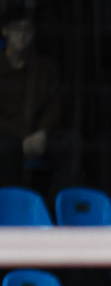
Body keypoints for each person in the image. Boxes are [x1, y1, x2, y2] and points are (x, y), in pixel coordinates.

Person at [0, 10, 60, 187]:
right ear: (5, 31)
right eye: (16, 29)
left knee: (72, 144)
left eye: (27, 29)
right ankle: (12, 199)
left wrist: (42, 132)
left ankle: (57, 200)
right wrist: (23, 135)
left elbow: (55, 106)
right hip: (9, 134)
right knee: (4, 149)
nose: (22, 35)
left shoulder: (46, 68)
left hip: (39, 134)